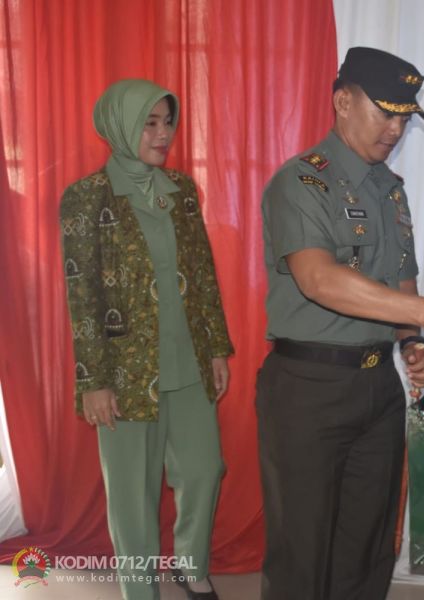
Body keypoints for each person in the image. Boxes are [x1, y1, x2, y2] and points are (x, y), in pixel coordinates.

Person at [257, 47, 424, 600]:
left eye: (406, 116)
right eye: (386, 112)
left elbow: (400, 283)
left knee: (368, 545)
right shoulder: (301, 183)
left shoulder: (391, 190)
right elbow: (320, 280)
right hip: (308, 387)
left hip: (377, 388)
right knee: (302, 549)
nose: (397, 127)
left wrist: (412, 343)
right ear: (343, 102)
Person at [60, 79, 232, 600]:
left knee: (205, 469)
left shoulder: (181, 190)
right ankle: (141, 590)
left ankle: (189, 564)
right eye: (150, 123)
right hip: (124, 371)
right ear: (120, 126)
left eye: (168, 121)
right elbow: (81, 293)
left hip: (188, 361)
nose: (163, 134)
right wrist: (93, 381)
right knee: (133, 495)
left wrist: (218, 346)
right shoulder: (86, 197)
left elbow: (202, 274)